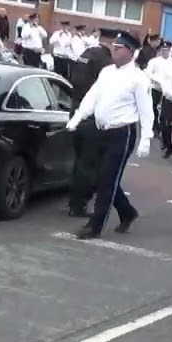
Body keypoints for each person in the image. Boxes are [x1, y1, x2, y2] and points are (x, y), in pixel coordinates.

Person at [66, 30, 153, 239]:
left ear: (131, 52)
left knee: (107, 180)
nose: (114, 49)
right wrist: (77, 118)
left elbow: (146, 110)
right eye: (114, 45)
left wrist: (146, 138)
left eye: (119, 47)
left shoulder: (139, 78)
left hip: (122, 133)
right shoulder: (106, 72)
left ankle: (95, 225)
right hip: (100, 130)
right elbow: (92, 97)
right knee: (98, 178)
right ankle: (127, 212)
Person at [65, 41, 115, 218]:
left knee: (79, 162)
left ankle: (73, 201)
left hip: (75, 111)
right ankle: (79, 204)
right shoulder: (104, 61)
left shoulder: (84, 55)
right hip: (92, 116)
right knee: (90, 164)